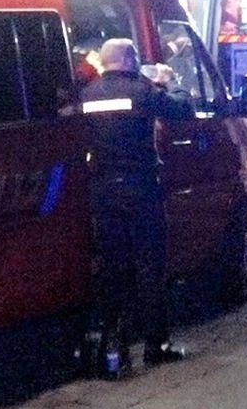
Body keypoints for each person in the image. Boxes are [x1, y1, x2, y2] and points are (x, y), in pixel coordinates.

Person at [80, 37, 195, 374]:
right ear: (130, 59)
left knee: (113, 269)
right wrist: (168, 80)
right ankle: (156, 344)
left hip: (102, 191)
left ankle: (112, 350)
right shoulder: (143, 91)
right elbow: (181, 109)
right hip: (141, 189)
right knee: (151, 266)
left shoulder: (88, 94)